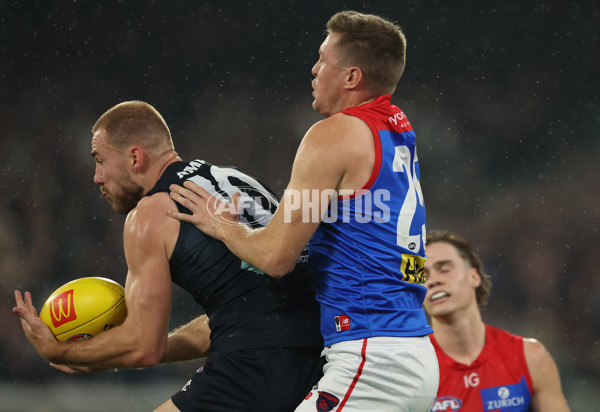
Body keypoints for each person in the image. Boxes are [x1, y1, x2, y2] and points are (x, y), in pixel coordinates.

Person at [168, 10, 438, 411]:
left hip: (371, 358)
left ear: (351, 77)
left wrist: (223, 225)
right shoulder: (397, 129)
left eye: (324, 59)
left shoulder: (333, 134)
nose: (314, 69)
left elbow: (276, 258)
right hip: (413, 352)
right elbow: (346, 216)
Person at [13, 100, 324, 412]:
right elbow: (244, 310)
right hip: (317, 361)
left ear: (135, 157)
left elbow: (143, 347)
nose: (96, 177)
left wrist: (58, 352)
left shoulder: (149, 215)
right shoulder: (234, 179)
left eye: (100, 160)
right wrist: (108, 353)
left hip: (253, 367)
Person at [423, 230, 570, 411]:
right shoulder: (413, 369)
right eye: (423, 276)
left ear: (474, 277)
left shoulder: (530, 358)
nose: (433, 281)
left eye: (445, 269)